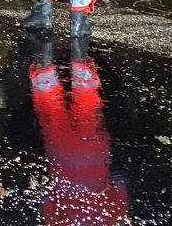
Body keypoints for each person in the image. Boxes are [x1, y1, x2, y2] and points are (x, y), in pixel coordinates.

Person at [28, 38, 130, 225]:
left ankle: (81, 65)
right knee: (51, 113)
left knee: (88, 109)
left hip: (94, 152)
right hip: (61, 154)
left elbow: (120, 182)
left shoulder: (113, 220)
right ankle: (44, 69)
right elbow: (45, 198)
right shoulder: (56, 222)